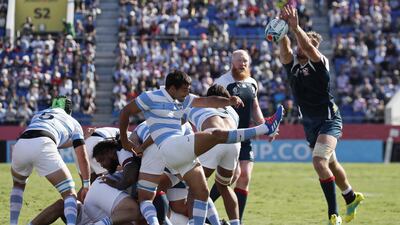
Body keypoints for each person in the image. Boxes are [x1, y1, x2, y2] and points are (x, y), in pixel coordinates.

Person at [119, 70, 283, 225]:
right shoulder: (150, 97)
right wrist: (125, 140)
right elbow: (126, 111)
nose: (187, 93)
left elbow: (207, 100)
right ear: (172, 88)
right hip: (171, 147)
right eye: (184, 90)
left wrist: (229, 101)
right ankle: (265, 128)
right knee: (216, 135)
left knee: (202, 193)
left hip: (176, 154)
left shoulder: (182, 99)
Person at [278, 5, 364, 225]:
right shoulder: (294, 66)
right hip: (309, 124)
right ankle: (351, 197)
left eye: (308, 46)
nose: (304, 48)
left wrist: (296, 28)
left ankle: (332, 215)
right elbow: (285, 49)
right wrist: (281, 29)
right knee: (331, 164)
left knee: (318, 162)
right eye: (303, 46)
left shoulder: (320, 63)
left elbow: (306, 45)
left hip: (328, 120)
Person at [10, 96, 90, 225]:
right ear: (69, 109)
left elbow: (53, 138)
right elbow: (82, 155)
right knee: (69, 192)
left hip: (21, 143)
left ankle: (12, 223)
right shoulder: (73, 122)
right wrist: (86, 184)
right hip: (45, 143)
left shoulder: (38, 114)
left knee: (18, 186)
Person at [212, 49, 266, 224]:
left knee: (244, 177)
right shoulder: (223, 82)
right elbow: (211, 107)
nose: (243, 64)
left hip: (245, 137)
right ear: (231, 62)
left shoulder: (252, 83)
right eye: (239, 61)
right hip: (228, 136)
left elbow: (255, 107)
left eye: (245, 61)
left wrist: (265, 126)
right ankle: (203, 205)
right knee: (232, 176)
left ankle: (237, 221)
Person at [186, 84, 241, 225]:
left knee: (195, 186)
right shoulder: (233, 112)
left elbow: (180, 125)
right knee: (224, 186)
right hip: (233, 143)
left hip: (213, 138)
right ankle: (236, 223)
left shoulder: (199, 105)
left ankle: (195, 223)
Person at [28, 173, 141, 225]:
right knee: (63, 204)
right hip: (85, 214)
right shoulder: (113, 172)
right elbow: (84, 191)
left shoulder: (144, 193)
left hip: (110, 220)